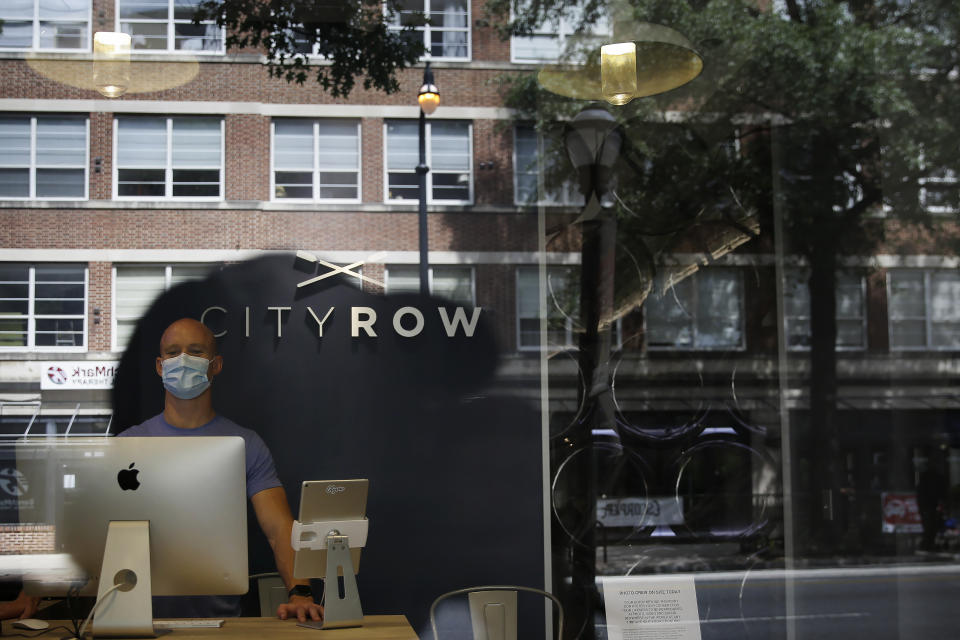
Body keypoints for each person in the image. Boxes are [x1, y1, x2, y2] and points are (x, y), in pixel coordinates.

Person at [118, 317, 322, 622]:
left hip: (219, 624)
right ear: (160, 366)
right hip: (132, 620)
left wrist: (300, 592)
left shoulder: (245, 444)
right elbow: (88, 529)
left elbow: (279, 529)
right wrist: (35, 591)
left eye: (196, 351)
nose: (183, 360)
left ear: (216, 364)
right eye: (173, 352)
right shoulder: (127, 445)